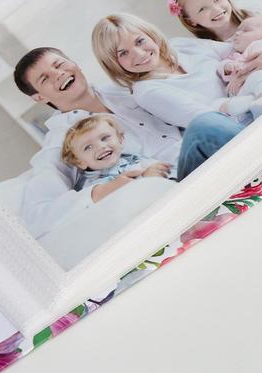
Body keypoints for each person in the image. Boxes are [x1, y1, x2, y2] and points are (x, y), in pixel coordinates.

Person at [91, 12, 262, 173]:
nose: (138, 53)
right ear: (114, 63)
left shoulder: (182, 46)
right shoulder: (146, 90)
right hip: (238, 129)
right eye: (123, 53)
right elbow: (205, 116)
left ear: (151, 35)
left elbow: (243, 49)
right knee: (204, 124)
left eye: (140, 41)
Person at [13, 46, 180, 237]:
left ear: (74, 63)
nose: (58, 74)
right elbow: (37, 217)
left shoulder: (126, 88)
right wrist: (103, 191)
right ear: (40, 97)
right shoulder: (60, 141)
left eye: (59, 65)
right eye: (45, 79)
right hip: (166, 194)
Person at [60, 114, 172, 202]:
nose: (101, 146)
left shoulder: (133, 158)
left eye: (104, 138)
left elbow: (162, 169)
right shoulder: (95, 186)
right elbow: (119, 202)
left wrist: (159, 169)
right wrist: (145, 178)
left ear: (120, 139)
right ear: (80, 162)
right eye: (88, 147)